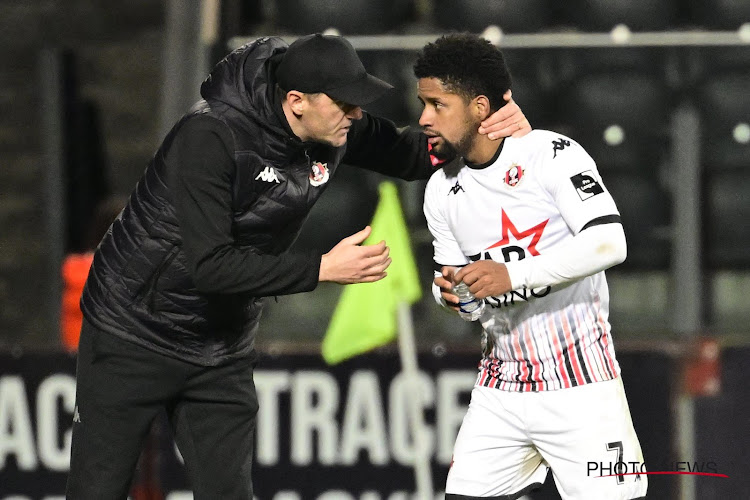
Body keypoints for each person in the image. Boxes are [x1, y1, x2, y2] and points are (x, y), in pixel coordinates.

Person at [66, 33, 530, 499]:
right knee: (97, 491)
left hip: (218, 345)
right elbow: (209, 267)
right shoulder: (210, 137)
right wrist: (322, 268)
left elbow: (412, 154)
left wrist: (481, 127)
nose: (356, 114)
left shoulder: (335, 127)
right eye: (345, 104)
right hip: (131, 332)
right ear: (296, 102)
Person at [418, 34, 647, 499]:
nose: (424, 118)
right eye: (422, 104)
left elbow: (610, 241)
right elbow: (465, 302)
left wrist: (513, 275)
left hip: (580, 384)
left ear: (480, 107)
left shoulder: (551, 154)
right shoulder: (441, 191)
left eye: (437, 104)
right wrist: (458, 296)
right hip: (500, 386)